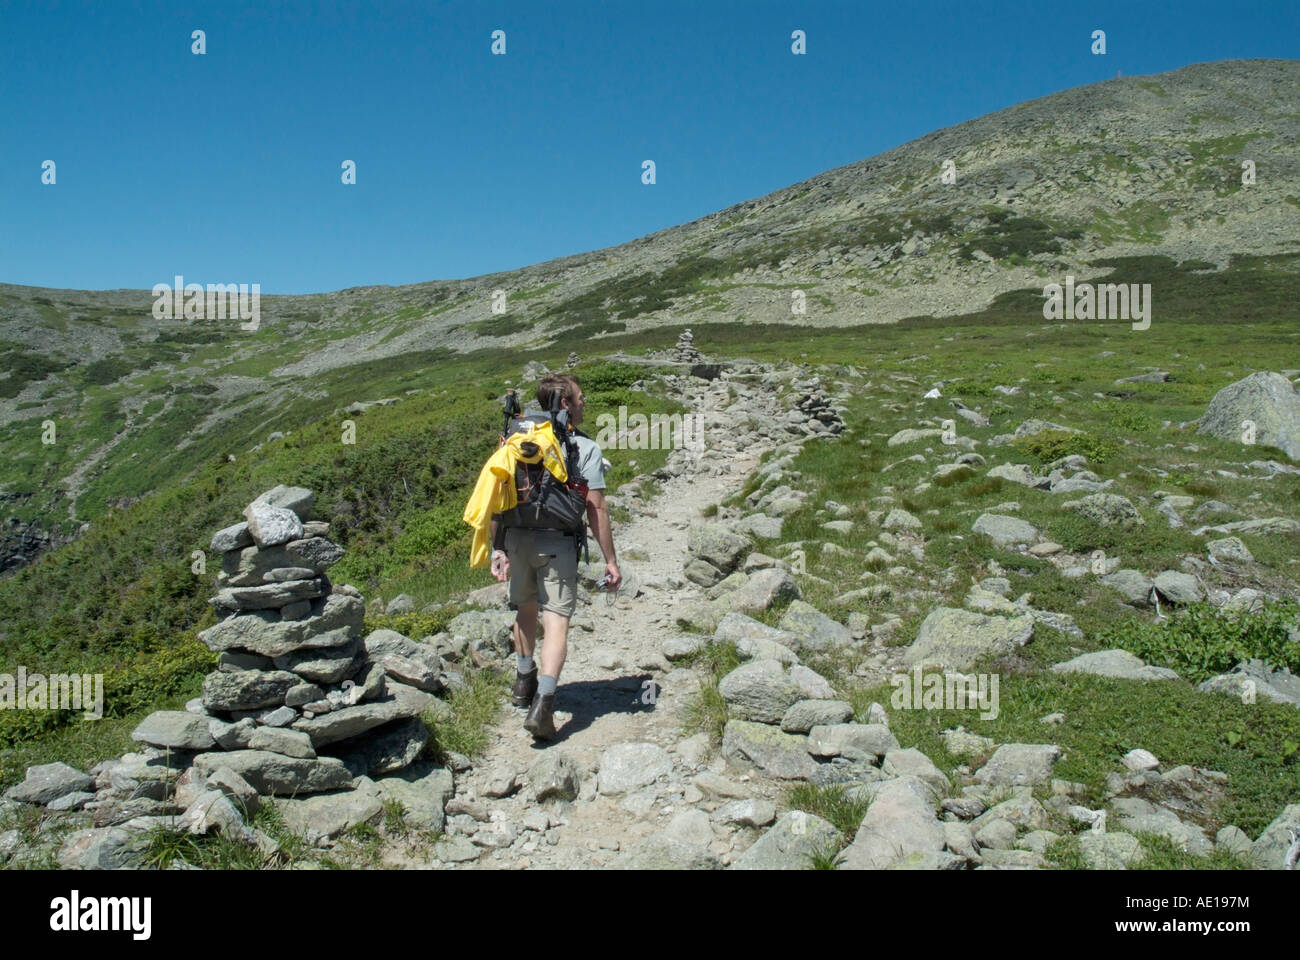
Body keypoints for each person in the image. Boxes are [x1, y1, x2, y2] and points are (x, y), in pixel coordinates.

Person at [488, 373, 621, 740]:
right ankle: (544, 705)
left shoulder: (515, 441)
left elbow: (496, 497)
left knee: (525, 611)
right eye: (579, 399)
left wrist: (496, 548)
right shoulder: (584, 448)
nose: (583, 404)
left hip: (516, 539)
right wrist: (610, 560)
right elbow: (596, 508)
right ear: (565, 404)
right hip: (558, 543)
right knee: (556, 621)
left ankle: (522, 679)